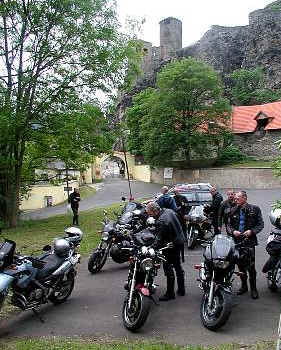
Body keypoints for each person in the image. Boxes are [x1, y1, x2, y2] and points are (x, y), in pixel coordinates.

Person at [227, 190, 264, 299]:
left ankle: (253, 289)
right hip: (237, 242)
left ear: (245, 198)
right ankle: (244, 287)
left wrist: (252, 231)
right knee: (240, 266)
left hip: (249, 242)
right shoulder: (232, 210)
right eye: (235, 198)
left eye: (238, 198)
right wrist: (233, 231)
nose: (235, 199)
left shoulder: (255, 209)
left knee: (251, 267)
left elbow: (260, 224)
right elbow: (228, 225)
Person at [146, 202, 185, 301]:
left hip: (171, 245)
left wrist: (150, 248)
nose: (150, 216)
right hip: (179, 240)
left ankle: (170, 293)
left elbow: (159, 240)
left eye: (150, 214)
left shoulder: (161, 221)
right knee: (178, 266)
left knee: (168, 268)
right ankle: (181, 289)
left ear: (155, 211)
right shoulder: (169, 211)